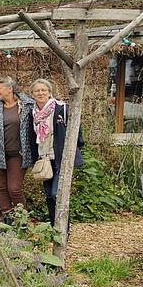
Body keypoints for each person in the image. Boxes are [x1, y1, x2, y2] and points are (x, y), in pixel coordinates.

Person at [28, 78, 84, 227]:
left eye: (43, 90)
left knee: (57, 194)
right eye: (37, 91)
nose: (40, 93)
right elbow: (32, 137)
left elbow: (76, 128)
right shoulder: (32, 114)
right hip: (44, 158)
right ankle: (55, 228)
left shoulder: (61, 108)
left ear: (49, 92)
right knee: (48, 196)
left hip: (61, 157)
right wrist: (35, 159)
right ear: (32, 94)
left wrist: (76, 148)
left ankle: (64, 227)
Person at [0, 75, 35, 221]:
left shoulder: (27, 105)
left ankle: (22, 220)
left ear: (9, 89)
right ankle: (8, 220)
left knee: (14, 188)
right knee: (1, 189)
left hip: (18, 154)